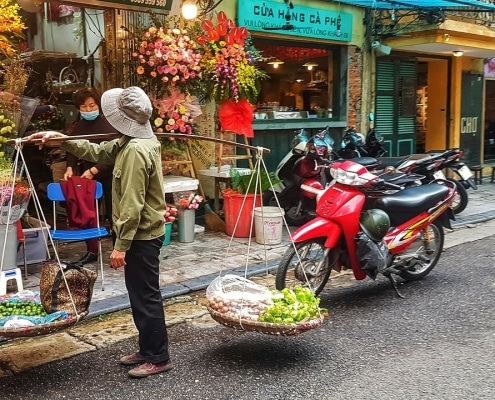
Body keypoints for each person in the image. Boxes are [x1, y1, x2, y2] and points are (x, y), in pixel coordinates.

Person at [28, 86, 171, 379]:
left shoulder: (135, 150)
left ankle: (158, 356)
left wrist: (121, 245)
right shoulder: (132, 141)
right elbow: (96, 150)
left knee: (146, 295)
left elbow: (132, 205)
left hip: (141, 236)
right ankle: (148, 348)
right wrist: (62, 139)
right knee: (139, 293)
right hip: (142, 233)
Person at [64, 88, 119, 264]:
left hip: (110, 175)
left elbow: (114, 154)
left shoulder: (108, 125)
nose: (88, 110)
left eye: (92, 105)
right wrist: (70, 167)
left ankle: (119, 251)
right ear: (78, 109)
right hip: (89, 179)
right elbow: (72, 147)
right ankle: (92, 251)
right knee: (90, 214)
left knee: (114, 214)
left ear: (98, 106)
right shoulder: (78, 126)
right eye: (84, 107)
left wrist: (95, 170)